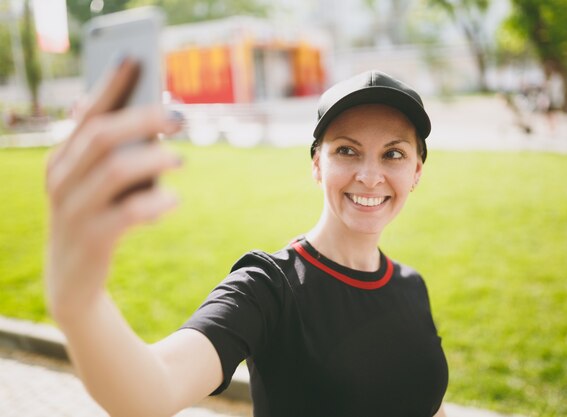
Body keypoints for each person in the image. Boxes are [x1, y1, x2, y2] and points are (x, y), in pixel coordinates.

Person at [44, 63, 448, 417]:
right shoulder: (269, 287)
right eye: (347, 150)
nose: (370, 175)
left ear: (416, 172)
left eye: (393, 154)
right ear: (317, 165)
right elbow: (153, 391)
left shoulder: (411, 286)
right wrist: (77, 300)